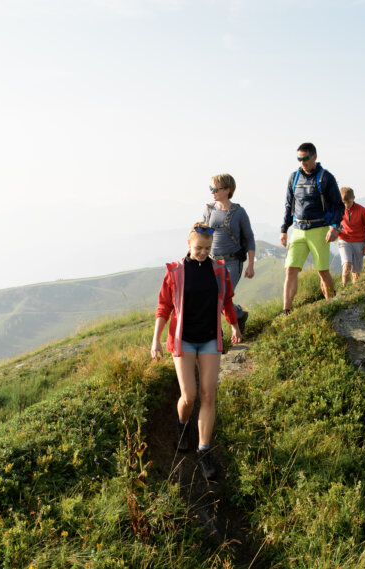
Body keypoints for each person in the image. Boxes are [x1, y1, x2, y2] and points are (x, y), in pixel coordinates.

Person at [151, 223, 242, 480]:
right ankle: (182, 426)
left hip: (210, 338)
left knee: (208, 394)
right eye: (198, 248)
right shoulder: (175, 272)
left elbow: (226, 302)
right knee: (189, 396)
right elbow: (163, 308)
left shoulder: (218, 270)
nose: (203, 252)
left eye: (207, 248)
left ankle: (204, 450)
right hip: (184, 341)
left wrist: (234, 326)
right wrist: (155, 340)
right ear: (188, 245)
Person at [280, 142, 345, 313]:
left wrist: (334, 227)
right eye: (299, 159)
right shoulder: (294, 177)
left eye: (306, 158)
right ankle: (286, 310)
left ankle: (332, 305)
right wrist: (283, 230)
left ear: (315, 156)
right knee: (290, 270)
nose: (302, 162)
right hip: (298, 230)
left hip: (319, 229)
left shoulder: (326, 177)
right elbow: (289, 205)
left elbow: (338, 205)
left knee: (322, 271)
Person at [203, 173, 256, 333]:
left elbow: (249, 238)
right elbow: (203, 235)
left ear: (227, 190)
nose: (212, 191)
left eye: (215, 188)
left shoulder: (239, 212)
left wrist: (251, 265)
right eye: (210, 188)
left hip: (233, 263)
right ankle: (239, 314)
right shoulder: (209, 210)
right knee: (215, 298)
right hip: (212, 262)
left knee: (220, 299)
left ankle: (214, 339)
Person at [337, 186, 365, 286]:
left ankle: (354, 292)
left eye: (348, 202)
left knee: (356, 273)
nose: (346, 205)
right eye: (343, 203)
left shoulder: (362, 210)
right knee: (346, 266)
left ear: (353, 198)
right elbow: (333, 223)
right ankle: (345, 293)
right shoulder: (338, 210)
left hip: (359, 241)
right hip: (344, 240)